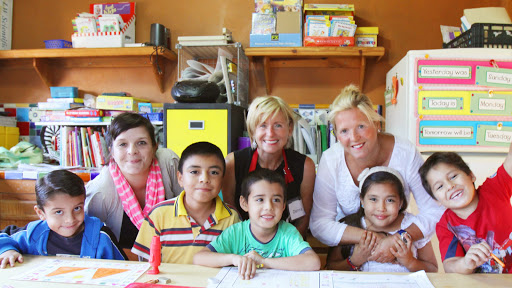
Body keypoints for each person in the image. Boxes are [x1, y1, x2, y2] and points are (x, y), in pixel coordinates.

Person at [310, 84, 444, 263]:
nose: (354, 137)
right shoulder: (331, 160)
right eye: (344, 131)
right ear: (336, 134)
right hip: (351, 252)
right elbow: (319, 224)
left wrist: (398, 239)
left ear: (376, 123)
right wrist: (374, 238)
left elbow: (435, 211)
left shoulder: (406, 153)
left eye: (361, 127)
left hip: (401, 254)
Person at [194, 169, 321, 280]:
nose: (269, 207)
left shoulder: (288, 232)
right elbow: (199, 258)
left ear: (283, 205)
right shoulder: (236, 233)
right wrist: (234, 259)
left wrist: (265, 262)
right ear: (244, 203)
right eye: (260, 199)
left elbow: (313, 262)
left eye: (276, 200)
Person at [131, 142, 240, 264]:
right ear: (180, 178)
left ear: (222, 180)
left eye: (214, 172)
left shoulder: (232, 218)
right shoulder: (158, 215)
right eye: (194, 172)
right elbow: (145, 264)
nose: (204, 179)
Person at [222, 96, 316, 238]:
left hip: (288, 246)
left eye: (278, 125)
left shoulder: (305, 166)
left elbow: (303, 218)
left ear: (289, 129)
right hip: (242, 245)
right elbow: (230, 215)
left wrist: (287, 249)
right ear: (253, 130)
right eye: (263, 125)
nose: (270, 133)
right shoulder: (232, 163)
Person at [85, 112, 182, 249]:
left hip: (175, 255)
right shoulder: (100, 190)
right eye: (123, 144)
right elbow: (89, 240)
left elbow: (191, 209)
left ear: (155, 147)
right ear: (111, 151)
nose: (132, 151)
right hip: (125, 263)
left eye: (141, 143)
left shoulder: (168, 163)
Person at [0, 170, 125, 268]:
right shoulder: (32, 234)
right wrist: (7, 250)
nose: (70, 220)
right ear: (41, 213)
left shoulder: (101, 237)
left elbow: (126, 270)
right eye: (59, 212)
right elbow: (3, 237)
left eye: (77, 208)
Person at [419, 143, 512, 274]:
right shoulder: (445, 225)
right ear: (436, 200)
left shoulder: (494, 189)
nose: (450, 186)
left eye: (453, 176)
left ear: (471, 175)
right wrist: (466, 263)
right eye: (440, 187)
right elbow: (449, 266)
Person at [325, 166, 438, 272]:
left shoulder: (414, 225)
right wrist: (355, 260)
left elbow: (432, 269)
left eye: (390, 200)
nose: (381, 208)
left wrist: (409, 261)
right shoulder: (350, 226)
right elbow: (330, 267)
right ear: (362, 201)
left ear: (401, 202)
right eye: (373, 199)